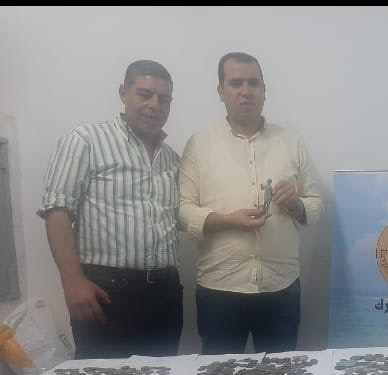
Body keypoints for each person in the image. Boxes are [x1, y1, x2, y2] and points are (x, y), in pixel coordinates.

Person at [179, 52, 323, 354]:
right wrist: (226, 220)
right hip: (220, 288)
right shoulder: (199, 144)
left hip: (281, 287)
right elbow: (181, 210)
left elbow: (316, 204)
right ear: (221, 91)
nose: (246, 91)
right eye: (236, 83)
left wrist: (295, 204)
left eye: (253, 83)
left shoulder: (291, 141)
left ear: (264, 90)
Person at [38, 60, 183, 359]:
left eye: (164, 98)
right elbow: (57, 210)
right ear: (123, 93)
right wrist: (72, 281)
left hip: (165, 293)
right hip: (105, 291)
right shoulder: (85, 140)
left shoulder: (173, 159)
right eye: (145, 94)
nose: (155, 105)